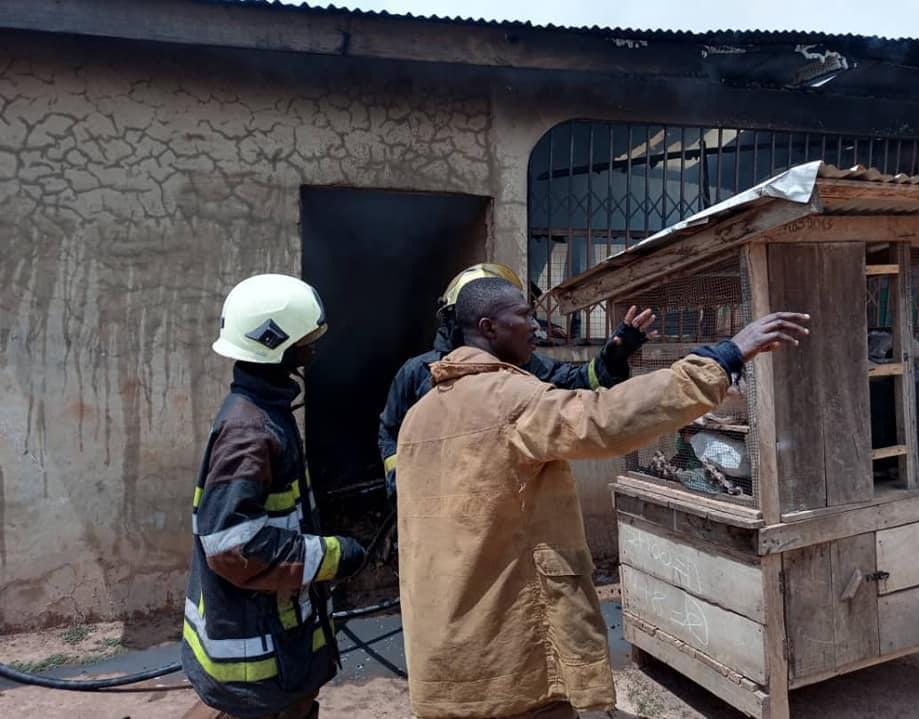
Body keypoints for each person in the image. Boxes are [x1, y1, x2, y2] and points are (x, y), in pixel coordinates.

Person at [396, 277, 809, 719]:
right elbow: (605, 420)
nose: (536, 327)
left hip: (442, 654)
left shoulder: (419, 415)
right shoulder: (509, 399)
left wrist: (616, 353)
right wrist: (720, 359)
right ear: (489, 327)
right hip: (510, 656)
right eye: (524, 317)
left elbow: (583, 387)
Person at [182, 274, 366, 719]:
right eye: (306, 339)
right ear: (275, 342)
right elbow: (231, 545)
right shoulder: (251, 430)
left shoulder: (265, 413)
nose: (314, 348)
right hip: (256, 657)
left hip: (273, 639)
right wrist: (333, 555)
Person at [378, 263, 652, 492]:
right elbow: (390, 432)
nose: (533, 325)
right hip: (434, 504)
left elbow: (576, 382)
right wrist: (400, 480)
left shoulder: (524, 366)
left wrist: (612, 358)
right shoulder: (417, 373)